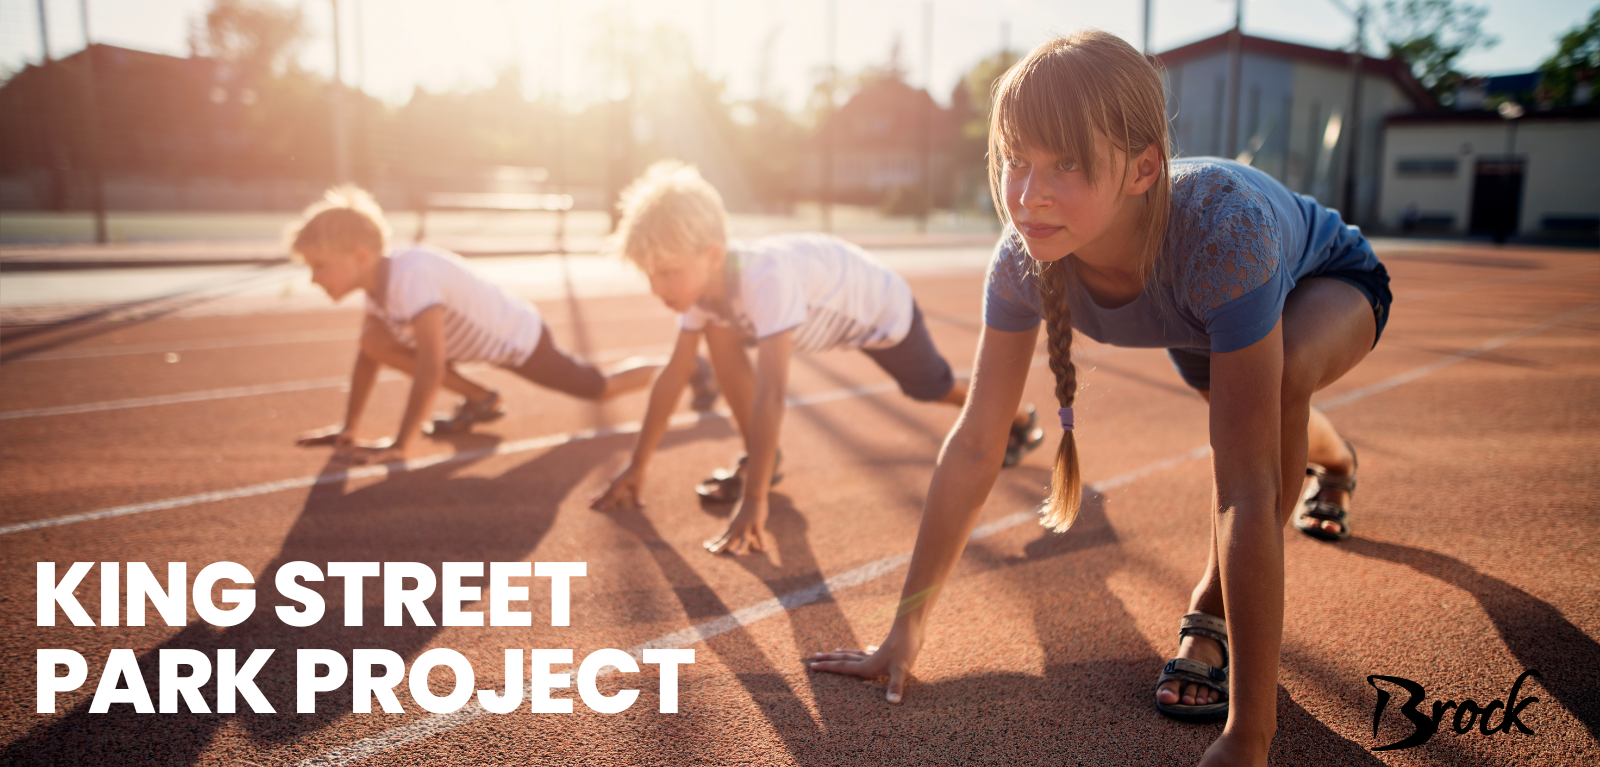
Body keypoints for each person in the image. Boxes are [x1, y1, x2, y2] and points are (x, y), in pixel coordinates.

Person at [808, 31, 1392, 767]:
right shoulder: (1023, 257)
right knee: (1266, 407)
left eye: (1068, 164)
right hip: (1202, 318)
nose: (1029, 192)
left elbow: (1245, 488)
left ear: (1145, 167)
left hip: (1330, 281)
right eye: (1018, 159)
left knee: (1277, 394)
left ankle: (1208, 608)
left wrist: (1249, 735)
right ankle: (1335, 464)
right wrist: (904, 630)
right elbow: (977, 440)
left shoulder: (1222, 234)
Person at [589, 161, 1046, 554]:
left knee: (930, 388)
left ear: (712, 256)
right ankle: (762, 458)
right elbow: (674, 374)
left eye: (667, 273)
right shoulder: (701, 293)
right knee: (717, 333)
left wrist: (753, 501)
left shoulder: (764, 280)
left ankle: (1016, 420)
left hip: (881, 312)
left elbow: (771, 395)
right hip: (829, 308)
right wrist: (637, 466)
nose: (658, 289)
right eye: (650, 275)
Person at [288, 186, 717, 465]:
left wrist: (402, 444)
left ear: (360, 256)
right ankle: (481, 400)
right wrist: (350, 429)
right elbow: (369, 358)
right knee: (372, 340)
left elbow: (431, 366)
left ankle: (691, 369)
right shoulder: (377, 289)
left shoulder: (409, 277)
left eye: (320, 266)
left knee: (597, 387)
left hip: (518, 339)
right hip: (475, 344)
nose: (314, 278)